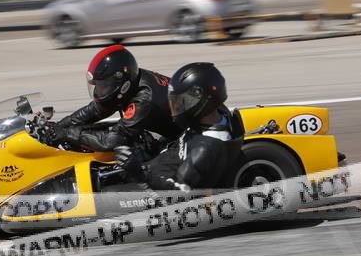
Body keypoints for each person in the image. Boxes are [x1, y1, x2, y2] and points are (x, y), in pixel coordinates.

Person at [115, 62, 242, 192]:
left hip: (152, 189)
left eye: (183, 102)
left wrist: (139, 173)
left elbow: (177, 195)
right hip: (155, 169)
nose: (177, 108)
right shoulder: (209, 120)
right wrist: (155, 147)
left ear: (202, 101)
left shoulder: (206, 148)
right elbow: (182, 148)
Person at [45, 45, 177, 154]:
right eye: (97, 86)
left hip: (181, 140)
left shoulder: (143, 99)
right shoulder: (131, 77)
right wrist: (59, 127)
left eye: (103, 86)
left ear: (123, 86)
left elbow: (112, 141)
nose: (99, 91)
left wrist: (68, 134)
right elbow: (97, 109)